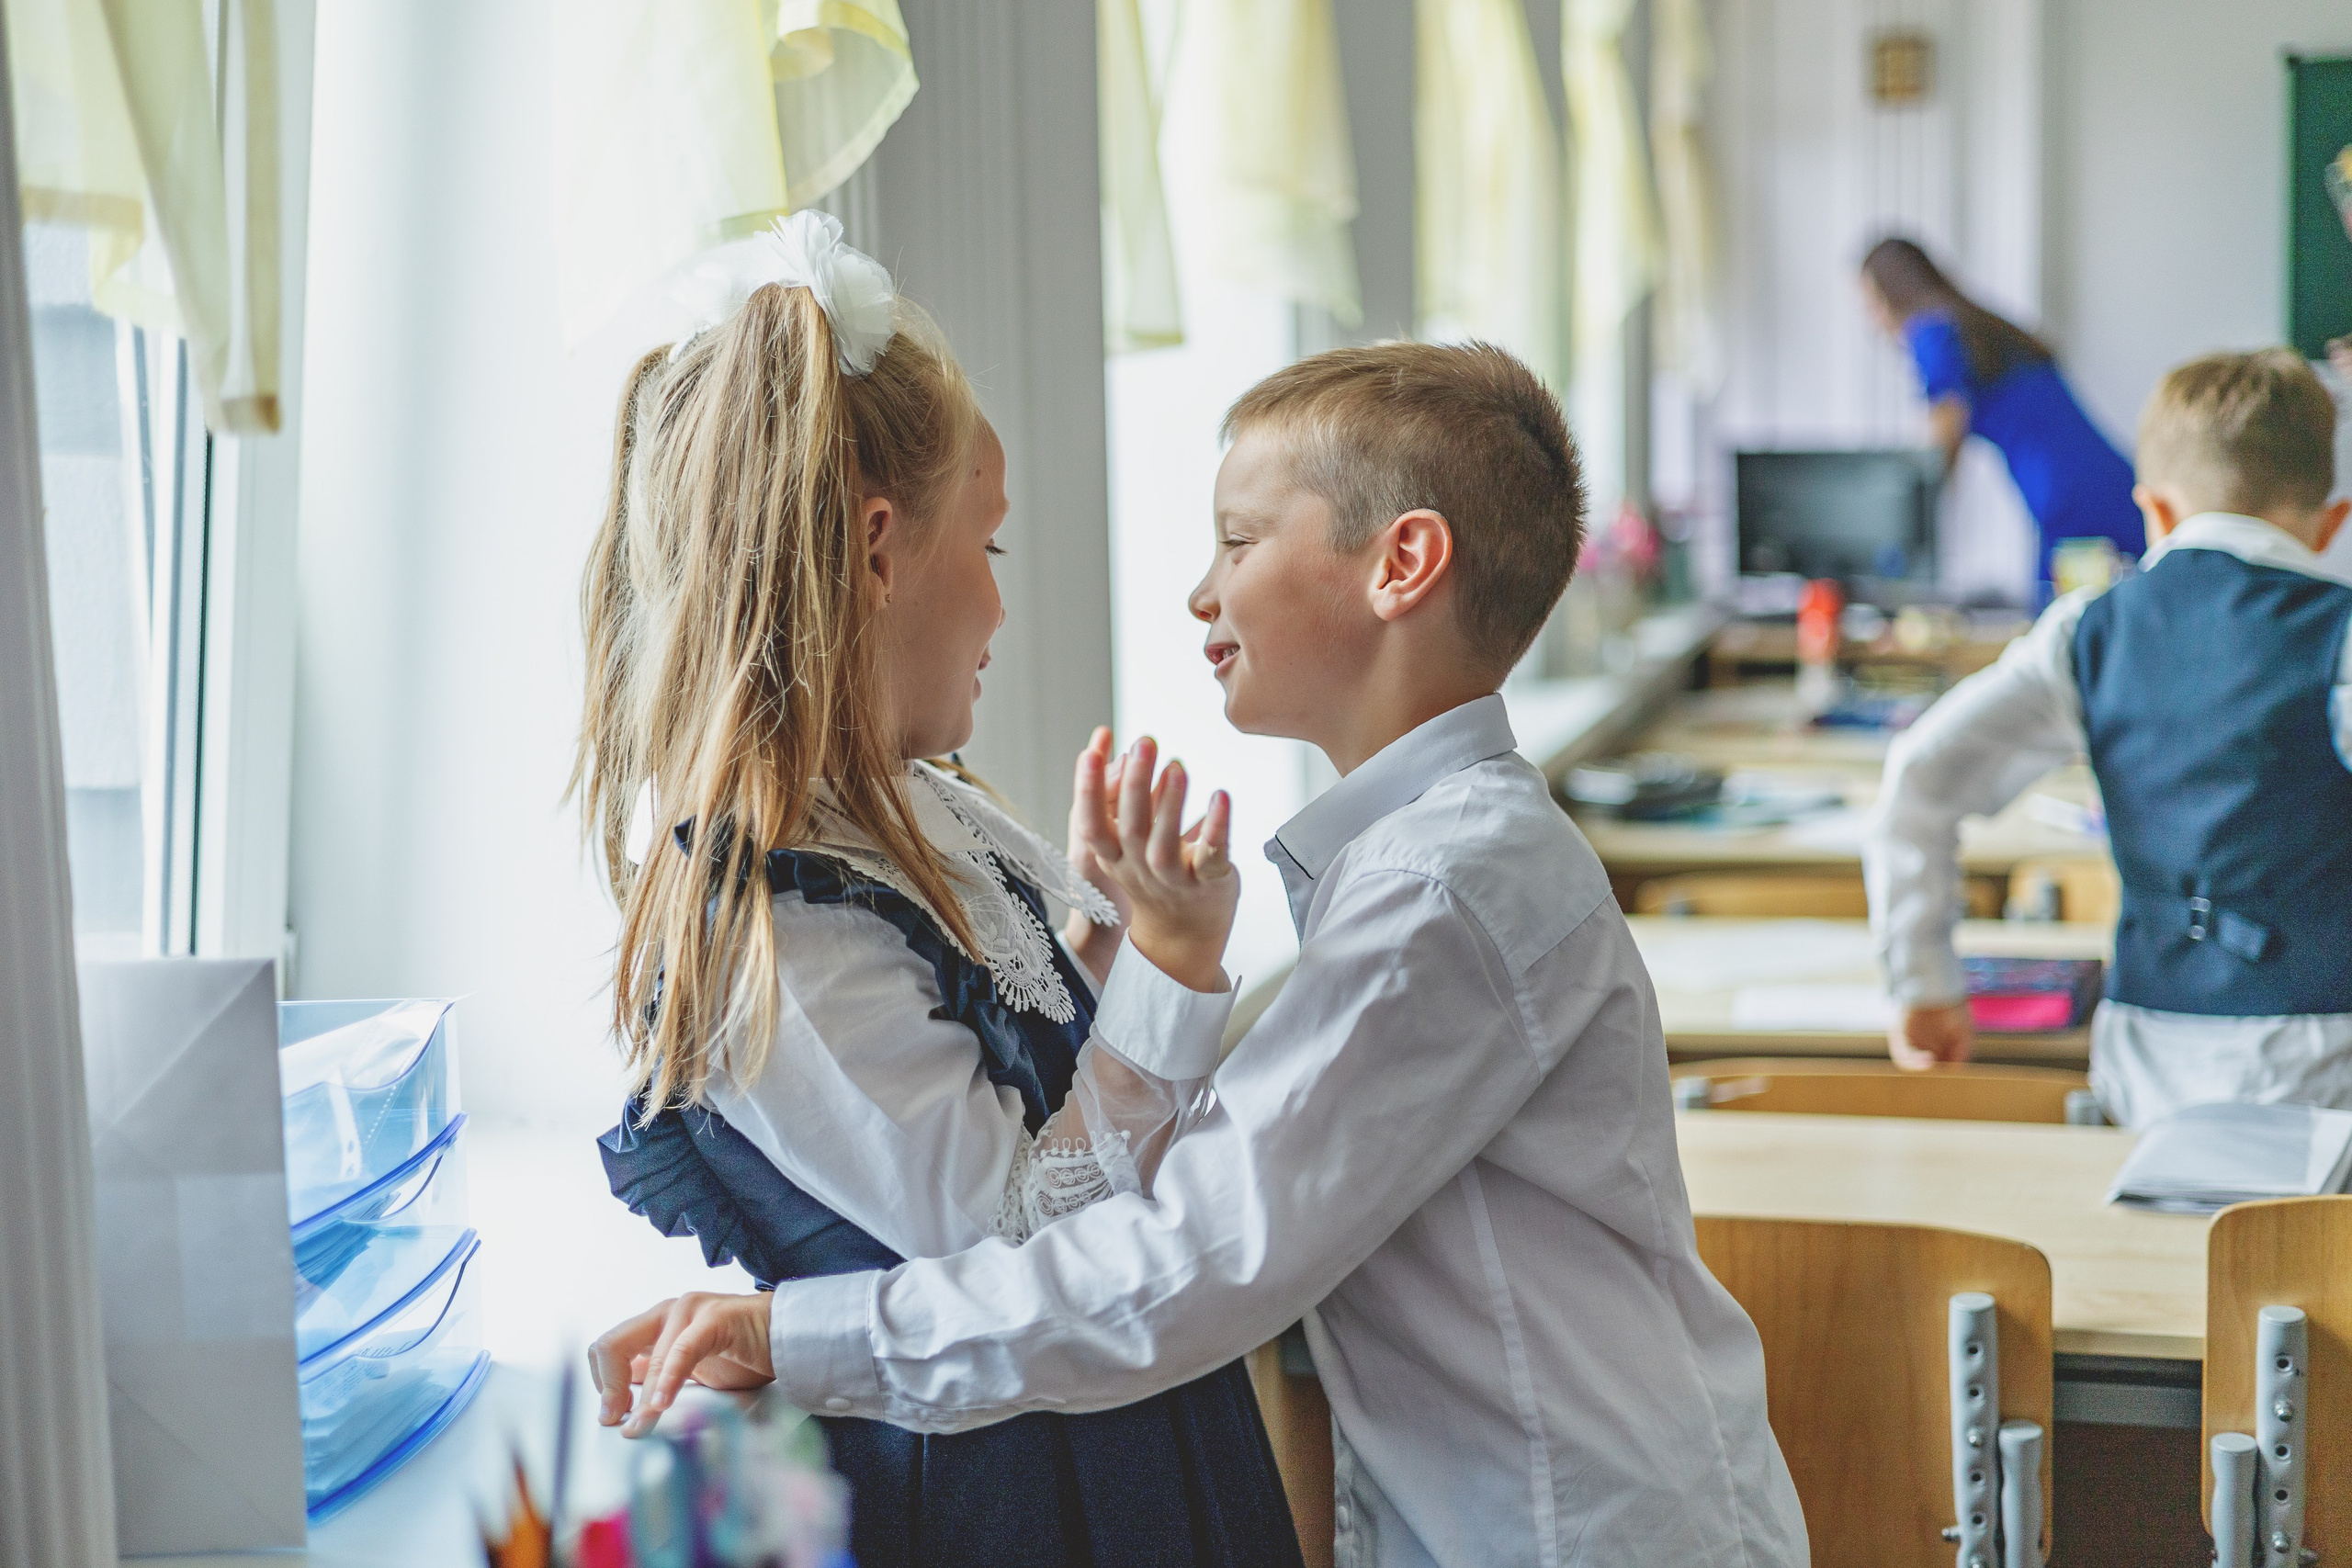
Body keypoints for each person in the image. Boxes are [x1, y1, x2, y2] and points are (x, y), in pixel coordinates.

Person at [591, 342, 1810, 1567]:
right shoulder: (1418, 863)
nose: (1197, 592)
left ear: (1402, 564)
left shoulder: (1438, 890)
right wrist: (1122, 959)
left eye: (1238, 542)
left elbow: (1194, 1251)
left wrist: (798, 1336)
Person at [572, 210, 1303, 1566]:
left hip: (1119, 1432)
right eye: (994, 548)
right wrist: (1169, 967)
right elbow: (1017, 1235)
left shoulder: (916, 803)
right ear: (875, 547)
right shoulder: (766, 917)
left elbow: (1023, 1081)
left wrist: (1114, 938)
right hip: (1017, 1502)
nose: (1001, 607)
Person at [1865, 349, 2352, 1125]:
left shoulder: (2084, 632)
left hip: (2145, 1060)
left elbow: (1917, 778)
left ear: (2153, 511)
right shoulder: (2342, 634)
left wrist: (1923, 981)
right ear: (2333, 523)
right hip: (2328, 1071)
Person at [1861, 236, 2143, 593]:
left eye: (1871, 304)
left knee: (2060, 624)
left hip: (2067, 498)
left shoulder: (1932, 331)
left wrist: (1906, 535)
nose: (1872, 322)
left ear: (1891, 293)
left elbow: (1942, 441)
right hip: (2105, 480)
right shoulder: (1975, 325)